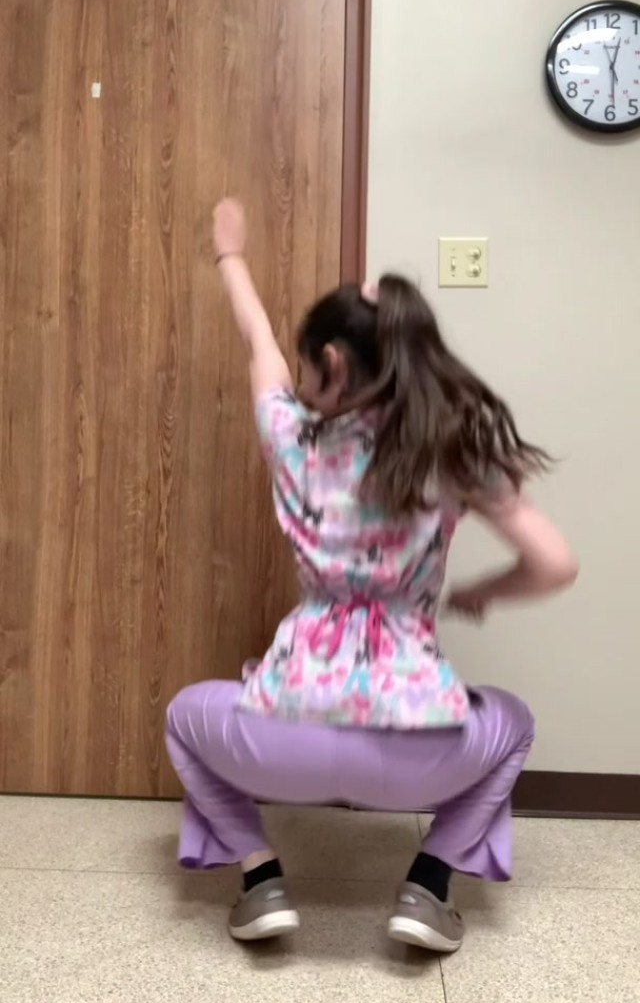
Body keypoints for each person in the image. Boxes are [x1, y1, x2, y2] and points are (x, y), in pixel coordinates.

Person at [165, 198, 578, 952]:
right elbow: (555, 564)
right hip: (417, 762)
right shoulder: (448, 453)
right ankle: (429, 886)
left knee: (183, 717)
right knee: (512, 721)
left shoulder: (292, 437)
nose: (297, 382)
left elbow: (257, 343)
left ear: (330, 364)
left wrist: (231, 256)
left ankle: (260, 879)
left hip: (283, 744)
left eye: (306, 369)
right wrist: (480, 593)